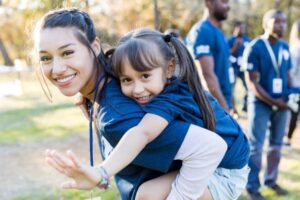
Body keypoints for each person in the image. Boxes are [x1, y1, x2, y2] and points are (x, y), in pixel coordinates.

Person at [34, 8, 247, 200]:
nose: (57, 68)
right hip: (218, 157)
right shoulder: (121, 73)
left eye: (67, 52)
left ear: (95, 46)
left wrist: (101, 173)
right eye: (45, 58)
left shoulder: (119, 116)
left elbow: (209, 146)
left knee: (147, 196)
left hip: (225, 167)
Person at [243, 9, 291, 200]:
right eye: (277, 21)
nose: (282, 25)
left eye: (284, 22)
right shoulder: (254, 47)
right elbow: (251, 83)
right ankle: (252, 187)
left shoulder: (285, 47)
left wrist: (290, 97)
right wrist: (273, 101)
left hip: (281, 104)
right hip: (260, 103)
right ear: (266, 23)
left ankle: (270, 180)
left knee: (277, 145)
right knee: (256, 146)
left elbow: (288, 76)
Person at [186, 0, 232, 113]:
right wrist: (223, 106)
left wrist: (230, 101)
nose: (228, 6)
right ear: (209, 3)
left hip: (222, 101)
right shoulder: (202, 30)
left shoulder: (218, 31)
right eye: (224, 2)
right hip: (211, 106)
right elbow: (206, 75)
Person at [227, 21, 250, 114]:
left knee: (249, 86)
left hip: (244, 68)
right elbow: (227, 54)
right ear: (235, 28)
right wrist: (236, 46)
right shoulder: (230, 40)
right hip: (233, 68)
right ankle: (233, 108)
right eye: (240, 28)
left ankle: (245, 106)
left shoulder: (247, 40)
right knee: (231, 88)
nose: (242, 30)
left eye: (243, 28)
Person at [285, 19, 300, 147]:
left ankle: (288, 139)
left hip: (296, 87)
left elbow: (291, 71)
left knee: (292, 113)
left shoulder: (295, 48)